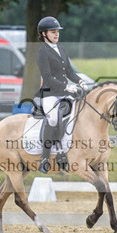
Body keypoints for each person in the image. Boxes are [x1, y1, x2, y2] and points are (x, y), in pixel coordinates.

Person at [36, 16, 87, 173]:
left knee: (77, 114)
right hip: (50, 94)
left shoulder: (61, 49)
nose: (56, 34)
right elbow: (48, 78)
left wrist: (80, 81)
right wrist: (66, 87)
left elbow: (70, 72)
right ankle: (45, 158)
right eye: (53, 32)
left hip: (64, 93)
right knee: (52, 119)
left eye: (57, 31)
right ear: (44, 34)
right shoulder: (42, 52)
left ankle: (67, 150)